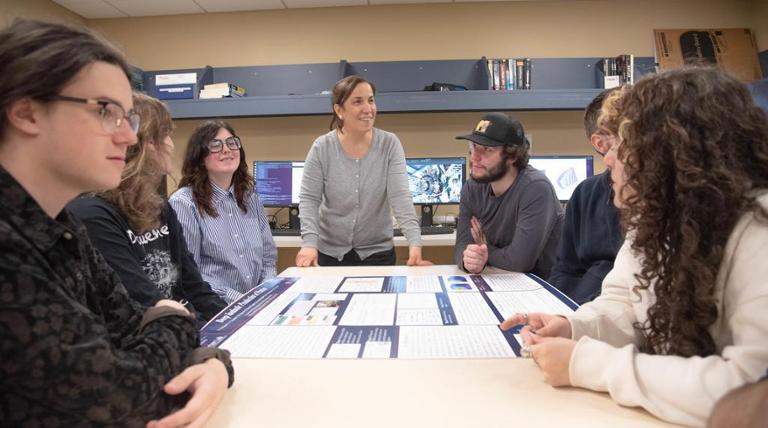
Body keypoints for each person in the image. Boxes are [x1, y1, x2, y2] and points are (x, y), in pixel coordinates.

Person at [501, 67, 768, 427]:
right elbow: (626, 304)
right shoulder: (657, 220)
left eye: (622, 145)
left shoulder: (758, 231)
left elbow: (749, 394)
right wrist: (573, 327)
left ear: (674, 155)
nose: (608, 159)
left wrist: (585, 364)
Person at [0, 19, 232, 426]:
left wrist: (213, 363)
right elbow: (116, 398)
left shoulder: (61, 224)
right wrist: (176, 320)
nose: (128, 138)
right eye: (106, 111)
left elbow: (131, 334)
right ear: (25, 112)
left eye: (129, 118)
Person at [67, 93, 227, 325]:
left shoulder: (159, 206)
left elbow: (194, 286)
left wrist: (234, 322)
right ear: (140, 144)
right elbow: (143, 302)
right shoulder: (92, 215)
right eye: (164, 135)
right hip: (159, 335)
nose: (171, 144)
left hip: (184, 326)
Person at [295, 75, 430, 267]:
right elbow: (309, 199)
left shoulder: (389, 144)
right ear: (339, 110)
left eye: (371, 100)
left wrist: (414, 243)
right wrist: (309, 243)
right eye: (358, 102)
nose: (368, 109)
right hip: (330, 254)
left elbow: (400, 196)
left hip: (378, 253)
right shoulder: (322, 147)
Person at [170, 120, 277, 303]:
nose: (226, 150)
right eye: (215, 145)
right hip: (214, 307)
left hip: (257, 304)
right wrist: (241, 300)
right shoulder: (184, 204)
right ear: (200, 157)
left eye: (231, 143)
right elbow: (190, 275)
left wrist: (263, 294)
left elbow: (268, 258)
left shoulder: (250, 198)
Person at [454, 112, 563, 278]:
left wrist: (485, 249)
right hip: (498, 281)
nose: (474, 157)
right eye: (474, 147)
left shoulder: (536, 188)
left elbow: (520, 261)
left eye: (487, 150)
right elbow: (462, 246)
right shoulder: (472, 187)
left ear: (512, 156)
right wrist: (471, 261)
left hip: (541, 288)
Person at [548, 89, 624, 304]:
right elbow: (563, 270)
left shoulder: (662, 198)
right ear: (600, 144)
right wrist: (561, 313)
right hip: (581, 311)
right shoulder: (585, 193)